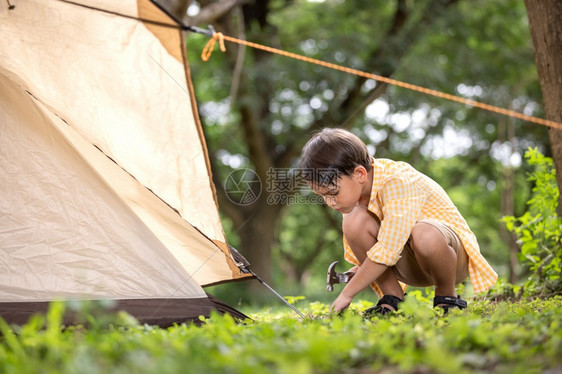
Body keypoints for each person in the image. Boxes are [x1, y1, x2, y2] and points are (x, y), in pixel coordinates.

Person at [300, 128, 497, 315]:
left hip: (451, 258)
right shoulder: (353, 199)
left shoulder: (397, 181)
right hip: (408, 263)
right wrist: (360, 271)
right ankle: (392, 298)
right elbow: (387, 245)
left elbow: (388, 247)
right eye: (322, 196)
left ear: (360, 174)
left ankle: (447, 297)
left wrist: (347, 293)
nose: (330, 202)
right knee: (354, 220)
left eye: (333, 193)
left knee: (424, 233)